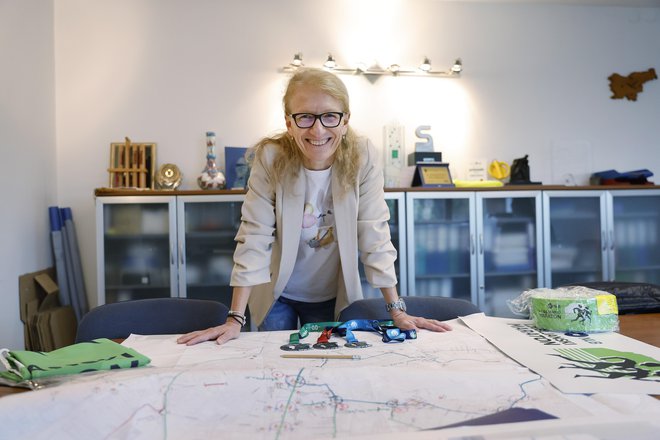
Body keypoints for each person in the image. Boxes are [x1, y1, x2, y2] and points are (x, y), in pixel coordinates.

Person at [177, 68, 452, 346]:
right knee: (276, 365)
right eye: (305, 117)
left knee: (326, 367)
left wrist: (396, 310)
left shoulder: (362, 155)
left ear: (345, 121)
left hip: (331, 293)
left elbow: (375, 234)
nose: (318, 129)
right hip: (276, 293)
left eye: (330, 116)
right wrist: (235, 318)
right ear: (289, 122)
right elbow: (255, 235)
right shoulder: (271, 158)